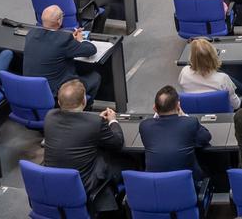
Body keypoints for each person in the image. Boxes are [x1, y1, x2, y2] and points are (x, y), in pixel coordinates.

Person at [41, 79, 123, 209]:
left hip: (53, 185)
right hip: (82, 187)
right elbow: (117, 142)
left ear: (58, 102)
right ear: (84, 101)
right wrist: (113, 121)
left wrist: (96, 120)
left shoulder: (49, 116)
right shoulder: (94, 123)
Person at [138, 86, 211, 191]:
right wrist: (184, 115)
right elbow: (205, 137)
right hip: (187, 187)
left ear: (155, 108)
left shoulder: (145, 126)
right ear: (178, 106)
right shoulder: (189, 123)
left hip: (156, 189)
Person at [179, 36, 241, 110]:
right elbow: (236, 105)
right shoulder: (223, 79)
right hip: (222, 117)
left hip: (194, 112)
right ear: (213, 56)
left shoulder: (184, 72)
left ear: (192, 57)